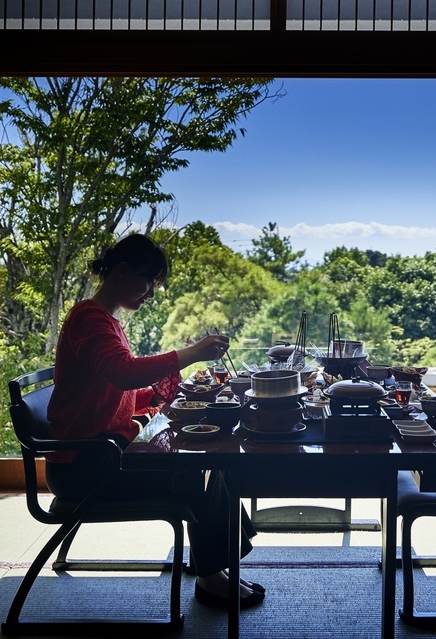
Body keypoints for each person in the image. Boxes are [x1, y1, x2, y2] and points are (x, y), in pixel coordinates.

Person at [45, 233, 264, 609]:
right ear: (123, 271)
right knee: (195, 470)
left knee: (210, 465)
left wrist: (161, 396)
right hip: (82, 466)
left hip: (99, 454)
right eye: (150, 282)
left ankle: (214, 570)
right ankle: (212, 577)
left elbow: (117, 390)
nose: (151, 293)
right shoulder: (89, 318)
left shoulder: (107, 321)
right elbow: (124, 373)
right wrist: (191, 353)